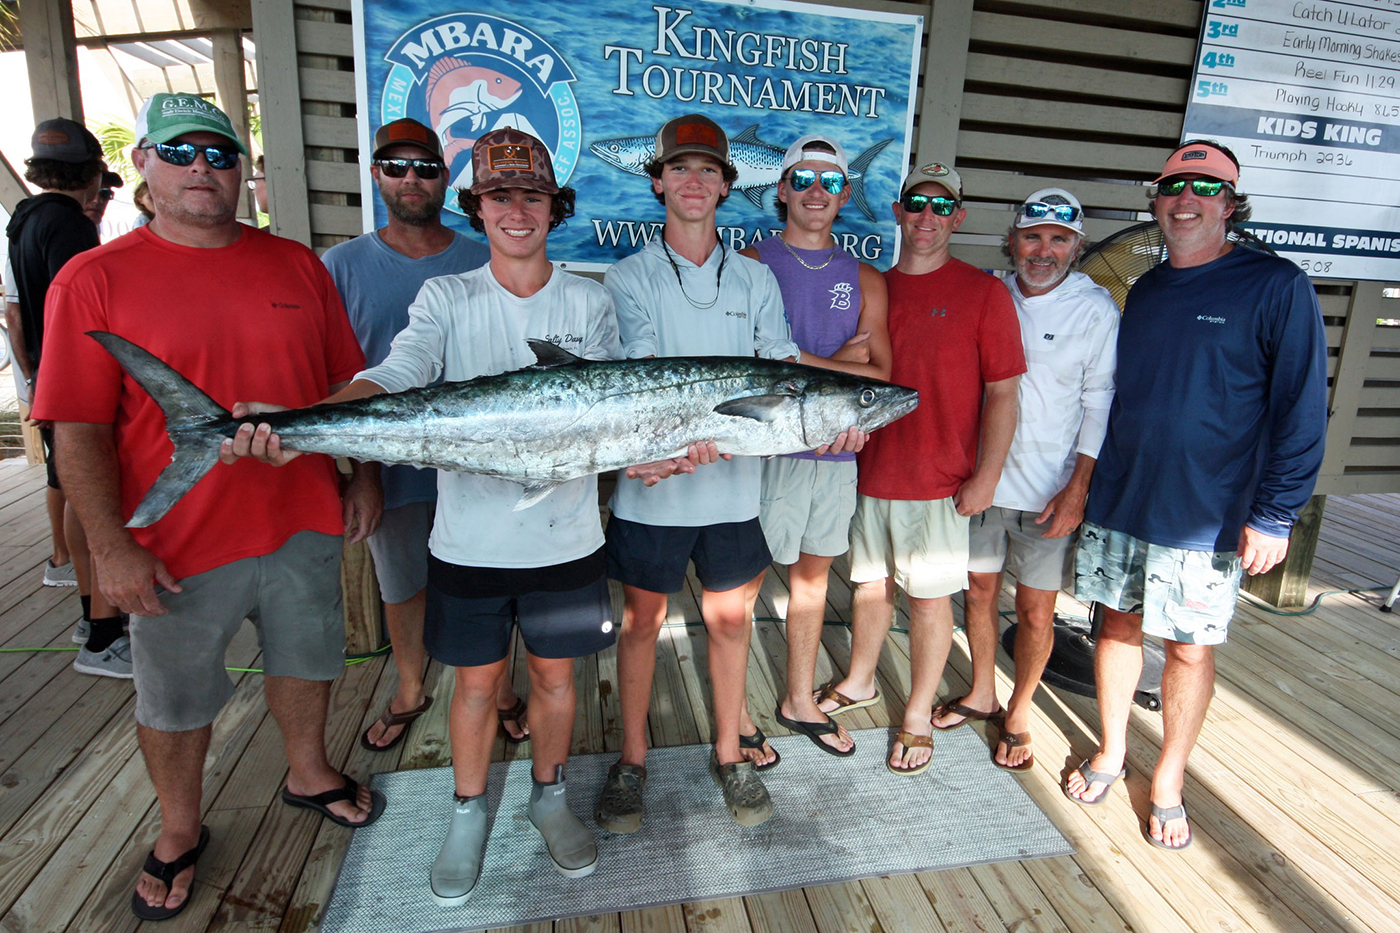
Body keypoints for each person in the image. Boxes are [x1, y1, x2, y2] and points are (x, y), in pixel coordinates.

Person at [230, 127, 617, 900]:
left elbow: (611, 415)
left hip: (567, 539)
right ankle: (468, 811)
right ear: (476, 207)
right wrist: (304, 419)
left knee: (554, 678)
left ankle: (548, 797)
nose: (516, 210)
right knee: (474, 687)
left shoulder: (588, 299)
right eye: (499, 195)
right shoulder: (447, 295)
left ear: (554, 208)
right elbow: (396, 374)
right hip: (470, 542)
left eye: (531, 196)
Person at [32, 93, 384, 922]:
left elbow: (346, 390)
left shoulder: (297, 265)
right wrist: (110, 547)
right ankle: (180, 825)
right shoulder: (92, 279)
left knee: (310, 657)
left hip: (301, 514)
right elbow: (75, 431)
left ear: (241, 172)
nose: (202, 169)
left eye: (220, 155)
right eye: (182, 152)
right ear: (144, 167)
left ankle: (308, 770)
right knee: (178, 696)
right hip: (177, 539)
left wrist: (360, 472)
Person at [597, 114, 859, 831]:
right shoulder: (628, 277)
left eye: (708, 170)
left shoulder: (755, 277)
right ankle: (632, 758)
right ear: (656, 182)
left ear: (726, 185)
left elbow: (776, 365)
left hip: (734, 487)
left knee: (729, 618)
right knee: (642, 622)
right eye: (679, 169)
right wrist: (687, 436)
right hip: (654, 489)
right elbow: (642, 373)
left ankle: (729, 753)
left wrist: (834, 411)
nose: (694, 181)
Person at [1064, 140, 1327, 850]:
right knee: (1113, 626)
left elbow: (1302, 407)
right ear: (1156, 200)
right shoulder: (1146, 288)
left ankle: (1171, 777)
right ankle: (1115, 751)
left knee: (1187, 648)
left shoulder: (1276, 285)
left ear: (1231, 205)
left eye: (1205, 188)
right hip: (1123, 496)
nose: (1187, 200)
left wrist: (1276, 512)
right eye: (1175, 186)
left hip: (1206, 512)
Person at [322, 118, 527, 752]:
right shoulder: (341, 264)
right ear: (377, 174)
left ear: (446, 178)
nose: (412, 178)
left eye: (426, 167)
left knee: (494, 579)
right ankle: (411, 686)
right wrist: (362, 474)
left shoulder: (483, 256)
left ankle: (500, 691)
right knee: (403, 582)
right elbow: (352, 371)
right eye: (397, 165)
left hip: (484, 454)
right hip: (387, 462)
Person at [815, 161, 1026, 776]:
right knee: (869, 588)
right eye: (915, 204)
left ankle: (915, 714)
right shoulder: (870, 287)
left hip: (940, 479)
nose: (926, 217)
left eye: (941, 207)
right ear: (898, 211)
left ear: (957, 217)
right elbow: (844, 369)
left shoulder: (984, 293)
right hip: (869, 468)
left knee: (931, 602)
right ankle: (860, 680)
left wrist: (986, 477)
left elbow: (1005, 394)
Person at [930, 188, 1117, 771]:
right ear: (1012, 241)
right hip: (983, 478)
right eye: (1032, 236)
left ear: (1077, 247)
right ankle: (982, 690)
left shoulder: (1095, 310)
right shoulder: (990, 293)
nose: (1043, 250)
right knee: (979, 592)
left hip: (1048, 490)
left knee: (1037, 611)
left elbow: (1100, 400)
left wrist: (1078, 487)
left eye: (1059, 239)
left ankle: (1019, 711)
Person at [739, 133, 891, 758]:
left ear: (846, 194)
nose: (815, 193)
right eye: (802, 180)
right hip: (763, 450)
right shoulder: (750, 262)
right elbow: (746, 360)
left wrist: (803, 362)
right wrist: (834, 364)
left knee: (812, 578)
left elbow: (882, 374)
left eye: (830, 183)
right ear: (780, 189)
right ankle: (735, 709)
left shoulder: (864, 277)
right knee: (741, 584)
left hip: (836, 451)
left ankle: (798, 697)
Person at [5, 118, 127, 672]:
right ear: (93, 172)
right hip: (84, 387)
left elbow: (17, 314)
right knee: (93, 496)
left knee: (72, 492)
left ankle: (89, 613)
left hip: (53, 381)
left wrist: (34, 381)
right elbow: (82, 316)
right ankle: (104, 632)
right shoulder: (71, 227)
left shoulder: (24, 218)